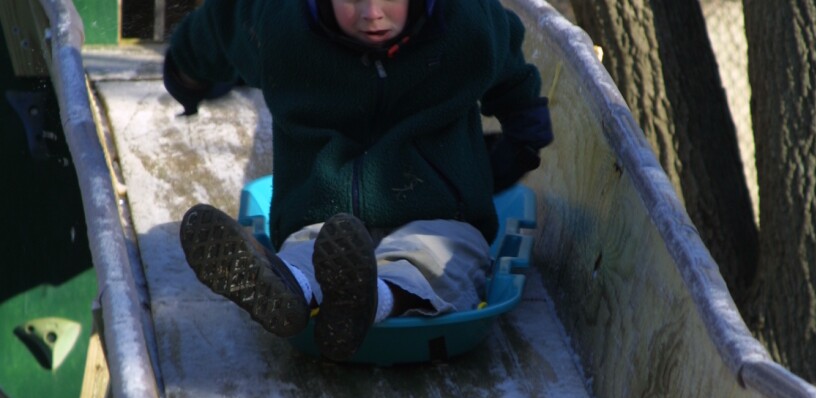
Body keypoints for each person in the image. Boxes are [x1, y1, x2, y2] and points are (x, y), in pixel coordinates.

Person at [164, 0, 553, 361]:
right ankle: (287, 290)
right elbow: (222, 21)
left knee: (441, 258)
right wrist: (186, 74)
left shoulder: (463, 19)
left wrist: (522, 137)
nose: (371, 14)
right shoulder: (283, 23)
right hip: (322, 213)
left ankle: (370, 300)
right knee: (309, 250)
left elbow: (509, 64)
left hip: (441, 213)